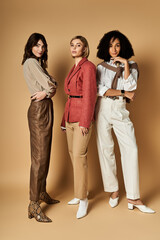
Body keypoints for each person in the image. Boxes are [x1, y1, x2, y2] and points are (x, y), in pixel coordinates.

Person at [96, 30, 155, 213]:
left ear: (123, 47)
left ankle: (133, 197)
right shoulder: (100, 67)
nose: (114, 49)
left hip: (120, 109)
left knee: (131, 149)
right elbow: (101, 89)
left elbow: (132, 86)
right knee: (105, 150)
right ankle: (113, 191)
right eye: (111, 45)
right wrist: (123, 93)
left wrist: (125, 65)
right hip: (103, 108)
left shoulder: (133, 65)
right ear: (106, 47)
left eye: (118, 45)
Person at [22, 33, 60, 223]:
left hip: (45, 108)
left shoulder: (39, 64)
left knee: (45, 153)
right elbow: (52, 85)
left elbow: (53, 86)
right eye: (37, 45)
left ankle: (42, 191)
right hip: (39, 111)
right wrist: (49, 89)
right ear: (30, 47)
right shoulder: (30, 63)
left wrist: (49, 89)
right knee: (39, 157)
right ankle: (33, 203)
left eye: (43, 46)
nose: (40, 49)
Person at [61, 36, 97, 219]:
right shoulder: (74, 67)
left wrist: (85, 122)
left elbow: (90, 96)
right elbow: (71, 97)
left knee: (79, 155)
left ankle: (83, 199)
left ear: (84, 48)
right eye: (72, 45)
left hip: (81, 118)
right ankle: (78, 193)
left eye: (78, 45)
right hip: (69, 117)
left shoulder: (88, 67)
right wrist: (64, 120)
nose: (74, 48)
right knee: (71, 154)